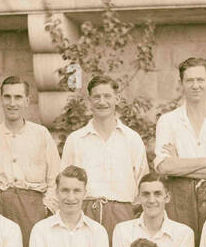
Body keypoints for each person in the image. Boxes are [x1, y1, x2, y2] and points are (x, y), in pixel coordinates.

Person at [0, 75, 60, 247]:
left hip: (32, 207)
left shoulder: (41, 135)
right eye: (7, 97)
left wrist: (46, 208)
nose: (12, 103)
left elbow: (55, 177)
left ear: (27, 101)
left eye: (18, 97)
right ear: (0, 99)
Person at [151, 57, 206, 238]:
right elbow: (164, 167)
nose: (195, 85)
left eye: (200, 80)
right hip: (179, 197)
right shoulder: (168, 121)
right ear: (181, 83)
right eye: (189, 80)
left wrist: (179, 165)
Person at [60, 77, 148, 238]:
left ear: (117, 99)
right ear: (89, 101)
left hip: (123, 213)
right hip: (84, 213)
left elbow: (142, 181)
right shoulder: (76, 139)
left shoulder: (132, 138)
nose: (102, 102)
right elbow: (63, 181)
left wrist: (130, 213)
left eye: (107, 96)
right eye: (96, 97)